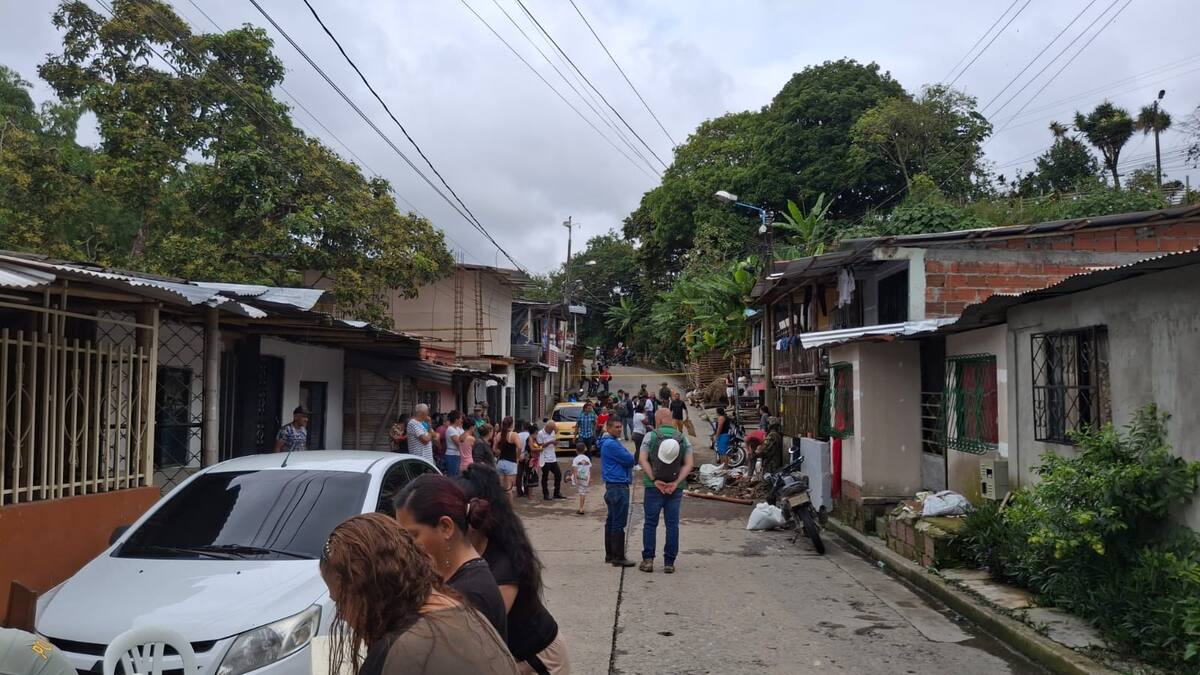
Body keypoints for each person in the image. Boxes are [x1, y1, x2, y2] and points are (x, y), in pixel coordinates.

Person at [321, 513, 517, 675]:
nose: (344, 616)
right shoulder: (460, 609)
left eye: (341, 601)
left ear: (363, 591)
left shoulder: (399, 652)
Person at [459, 464, 570, 674]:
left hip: (538, 660)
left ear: (476, 515)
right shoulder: (468, 552)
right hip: (510, 659)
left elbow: (480, 631)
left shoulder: (504, 564)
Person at [393, 476, 508, 639]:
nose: (406, 544)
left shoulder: (471, 594)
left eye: (413, 535)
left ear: (446, 527)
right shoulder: (448, 574)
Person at [638, 417, 694, 574]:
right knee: (672, 525)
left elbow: (642, 459)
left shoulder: (650, 436)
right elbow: (689, 464)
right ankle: (669, 563)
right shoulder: (683, 438)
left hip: (653, 487)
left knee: (650, 523)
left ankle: (648, 560)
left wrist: (654, 479)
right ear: (672, 421)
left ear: (659, 420)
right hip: (674, 489)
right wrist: (676, 482)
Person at [598, 418, 637, 568]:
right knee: (618, 523)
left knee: (612, 521)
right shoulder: (612, 444)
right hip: (618, 486)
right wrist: (628, 455)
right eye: (616, 427)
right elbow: (629, 459)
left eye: (621, 427)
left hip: (612, 485)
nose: (620, 429)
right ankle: (618, 556)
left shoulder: (608, 442)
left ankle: (610, 554)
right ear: (608, 428)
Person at [536, 420, 564, 501]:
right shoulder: (540, 433)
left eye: (553, 429)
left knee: (558, 474)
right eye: (551, 429)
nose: (552, 431)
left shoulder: (552, 432)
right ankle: (546, 494)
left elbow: (555, 434)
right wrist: (550, 442)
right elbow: (540, 446)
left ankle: (557, 492)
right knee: (545, 476)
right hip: (545, 458)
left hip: (552, 457)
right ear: (547, 427)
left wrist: (555, 443)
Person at [494, 416, 521, 499]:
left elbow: (494, 449)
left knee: (500, 489)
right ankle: (509, 510)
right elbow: (519, 447)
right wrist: (518, 457)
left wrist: (498, 453)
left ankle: (500, 508)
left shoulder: (499, 435)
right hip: (511, 463)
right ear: (512, 424)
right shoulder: (514, 435)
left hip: (500, 463)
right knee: (509, 489)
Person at [568, 441, 592, 515]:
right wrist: (589, 478)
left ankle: (568, 478)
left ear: (576, 450)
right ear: (584, 450)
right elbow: (589, 469)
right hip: (585, 477)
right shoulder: (587, 458)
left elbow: (575, 470)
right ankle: (581, 508)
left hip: (578, 476)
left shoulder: (576, 459)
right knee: (582, 493)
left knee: (572, 476)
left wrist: (575, 479)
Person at [444, 411, 466, 477]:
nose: (461, 420)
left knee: (457, 475)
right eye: (460, 418)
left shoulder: (457, 428)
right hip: (452, 455)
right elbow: (459, 442)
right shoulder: (450, 429)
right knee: (453, 476)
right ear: (456, 420)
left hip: (457, 454)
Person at [515, 421, 533, 500]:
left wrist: (518, 457)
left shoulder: (518, 435)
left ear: (523, 427)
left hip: (519, 455)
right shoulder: (530, 436)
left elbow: (516, 447)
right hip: (527, 456)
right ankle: (526, 491)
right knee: (527, 474)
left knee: (519, 474)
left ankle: (519, 492)